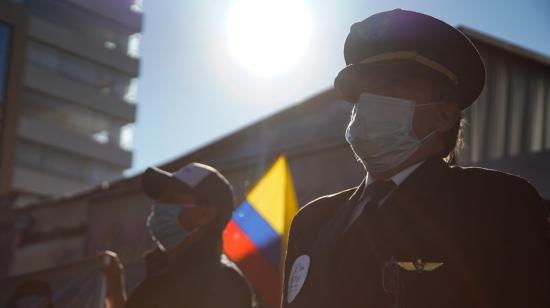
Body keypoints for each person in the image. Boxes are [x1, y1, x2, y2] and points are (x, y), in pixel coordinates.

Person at [282, 9, 550, 308]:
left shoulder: (496, 203)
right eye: (364, 92)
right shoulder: (314, 220)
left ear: (444, 115)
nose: (370, 103)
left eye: (392, 86)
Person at [125, 163, 255, 308]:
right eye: (159, 199)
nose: (158, 206)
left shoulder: (223, 284)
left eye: (171, 199)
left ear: (205, 214)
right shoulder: (162, 273)